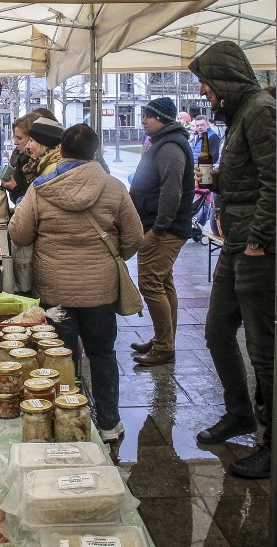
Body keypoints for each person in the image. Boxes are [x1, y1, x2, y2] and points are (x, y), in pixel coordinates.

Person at [9, 124, 143, 443]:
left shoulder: (41, 187)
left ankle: (63, 422)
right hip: (101, 291)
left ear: (63, 151)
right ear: (94, 152)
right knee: (103, 354)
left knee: (60, 359)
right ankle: (109, 423)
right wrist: (111, 255)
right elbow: (135, 237)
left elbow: (19, 234)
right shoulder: (113, 186)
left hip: (55, 292)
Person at [189, 41, 275, 479]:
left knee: (264, 349)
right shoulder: (240, 114)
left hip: (258, 249)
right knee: (217, 330)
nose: (204, 92)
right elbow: (248, 180)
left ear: (224, 80)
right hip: (235, 242)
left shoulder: (260, 111)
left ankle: (270, 443)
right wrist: (219, 180)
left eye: (206, 83)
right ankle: (239, 413)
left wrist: (259, 240)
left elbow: (275, 181)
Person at [128, 97, 195, 366]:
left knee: (150, 284)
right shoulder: (162, 143)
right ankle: (162, 339)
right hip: (157, 224)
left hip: (164, 229)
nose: (144, 119)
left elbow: (172, 190)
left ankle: (165, 346)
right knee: (163, 284)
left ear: (163, 119)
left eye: (149, 116)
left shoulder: (170, 146)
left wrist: (158, 229)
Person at [2, 112, 43, 204]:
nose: (15, 142)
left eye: (19, 138)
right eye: (15, 137)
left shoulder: (38, 164)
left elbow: (34, 202)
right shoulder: (18, 159)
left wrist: (14, 189)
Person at [191, 114, 221, 230]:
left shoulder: (212, 136)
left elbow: (213, 156)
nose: (200, 127)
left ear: (208, 124)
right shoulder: (198, 136)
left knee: (204, 199)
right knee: (197, 197)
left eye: (202, 125)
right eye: (197, 125)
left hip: (205, 172)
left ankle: (201, 223)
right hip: (196, 171)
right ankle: (197, 222)